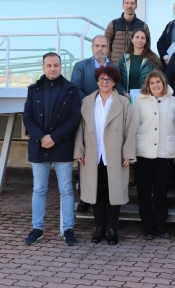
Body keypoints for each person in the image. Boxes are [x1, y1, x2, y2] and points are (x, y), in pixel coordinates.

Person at [23, 52, 81, 246]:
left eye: (56, 65)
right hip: (39, 146)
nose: (52, 68)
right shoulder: (33, 90)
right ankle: (37, 228)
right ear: (43, 67)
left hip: (62, 144)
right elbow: (27, 118)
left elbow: (74, 118)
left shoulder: (71, 89)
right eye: (49, 65)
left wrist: (53, 138)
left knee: (66, 189)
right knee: (39, 189)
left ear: (60, 66)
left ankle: (68, 229)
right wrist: (42, 138)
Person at [74, 65, 136, 245]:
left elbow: (130, 129)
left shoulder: (123, 102)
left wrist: (128, 153)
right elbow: (80, 128)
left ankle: (112, 229)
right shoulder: (87, 101)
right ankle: (99, 228)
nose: (104, 82)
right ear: (97, 81)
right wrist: (79, 150)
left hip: (114, 154)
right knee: (97, 192)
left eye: (108, 79)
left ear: (114, 82)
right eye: (101, 79)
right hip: (93, 154)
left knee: (113, 193)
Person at [132, 70, 175, 240]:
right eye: (152, 83)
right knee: (144, 192)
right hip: (143, 153)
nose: (155, 85)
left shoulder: (174, 102)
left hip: (165, 153)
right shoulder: (139, 101)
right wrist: (130, 153)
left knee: (161, 192)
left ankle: (160, 225)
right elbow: (133, 127)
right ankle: (147, 226)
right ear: (148, 85)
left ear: (164, 83)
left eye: (158, 82)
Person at [104, 0, 150, 64]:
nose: (129, 6)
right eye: (127, 3)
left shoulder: (143, 26)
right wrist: (110, 61)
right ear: (123, 5)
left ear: (136, 6)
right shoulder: (113, 24)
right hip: (115, 66)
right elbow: (106, 44)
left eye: (132, 3)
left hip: (134, 66)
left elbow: (147, 46)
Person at [117, 28, 161, 93]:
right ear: (132, 39)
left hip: (146, 96)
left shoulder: (153, 58)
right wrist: (123, 92)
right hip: (126, 96)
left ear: (146, 41)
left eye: (142, 38)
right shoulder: (123, 58)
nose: (139, 40)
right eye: (137, 37)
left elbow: (157, 79)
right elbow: (117, 78)